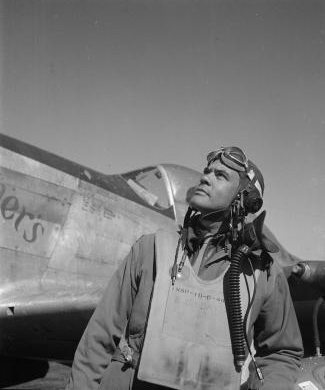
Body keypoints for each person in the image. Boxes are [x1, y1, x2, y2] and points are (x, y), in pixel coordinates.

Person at [67, 146, 303, 390]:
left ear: (245, 199)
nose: (205, 177)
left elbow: (282, 353)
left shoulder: (263, 271)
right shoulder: (150, 249)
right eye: (207, 171)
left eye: (220, 176)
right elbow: (98, 339)